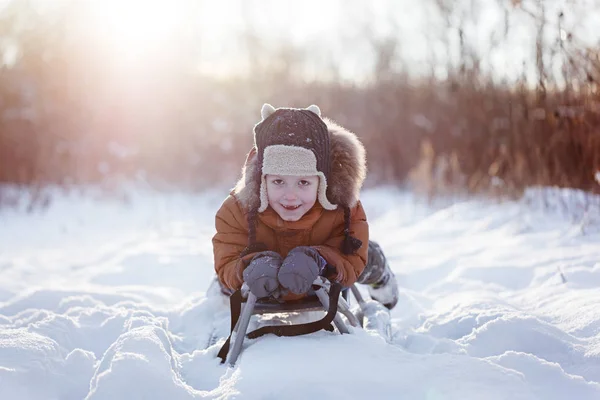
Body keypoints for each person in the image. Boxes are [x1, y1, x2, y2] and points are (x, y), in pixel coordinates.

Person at [211, 103, 398, 309]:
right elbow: (227, 255)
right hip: (261, 273)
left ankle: (381, 278)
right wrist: (247, 267)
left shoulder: (340, 209)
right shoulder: (237, 211)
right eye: (278, 182)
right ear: (261, 181)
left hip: (328, 263)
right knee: (228, 271)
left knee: (363, 253)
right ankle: (219, 289)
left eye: (303, 183)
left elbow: (351, 259)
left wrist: (320, 260)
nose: (290, 197)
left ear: (322, 182)